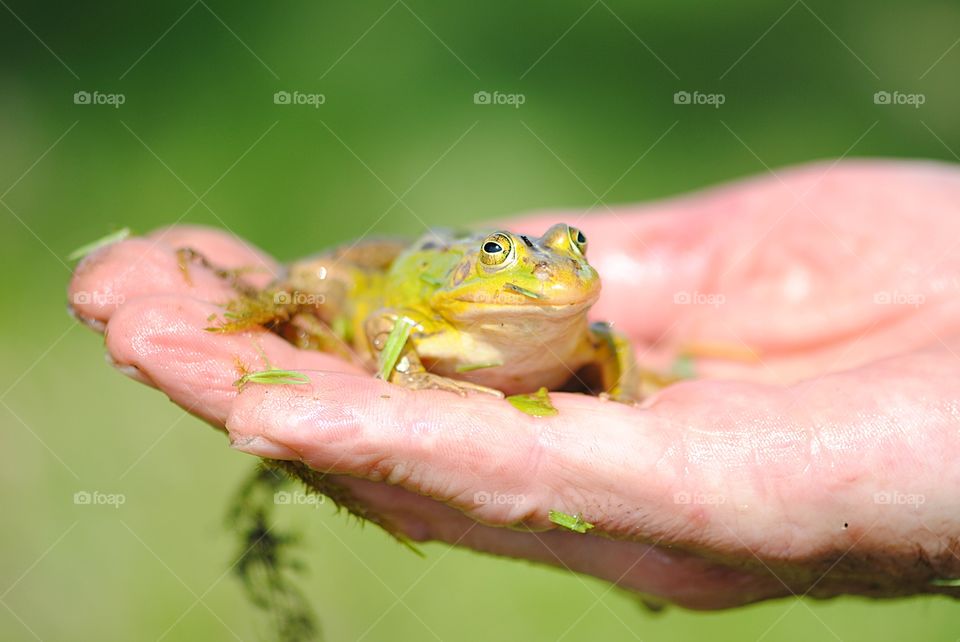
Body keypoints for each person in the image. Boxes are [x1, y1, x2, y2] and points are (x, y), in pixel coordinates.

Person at [68, 159, 960, 609]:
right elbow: (387, 324)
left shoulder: (585, 322)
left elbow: (608, 345)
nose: (552, 273)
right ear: (479, 267)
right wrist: (410, 375)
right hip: (393, 279)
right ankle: (268, 300)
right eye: (506, 258)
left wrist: (625, 383)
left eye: (569, 254)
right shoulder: (432, 310)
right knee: (328, 285)